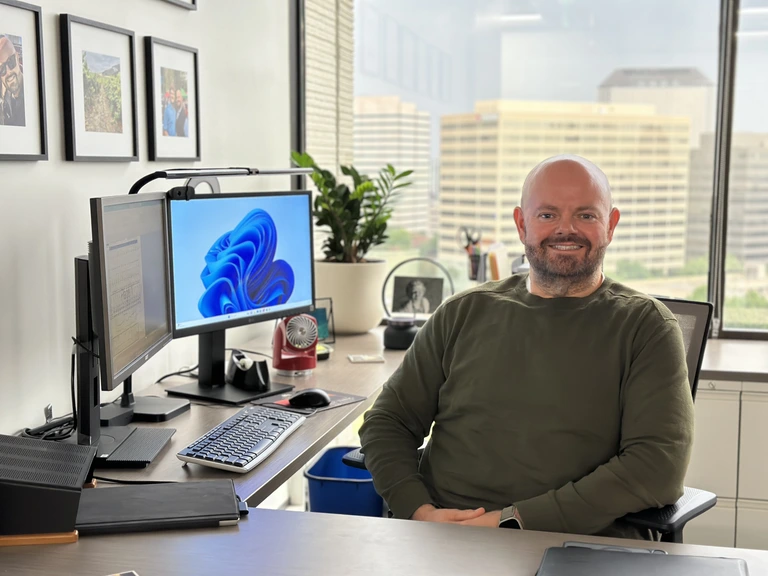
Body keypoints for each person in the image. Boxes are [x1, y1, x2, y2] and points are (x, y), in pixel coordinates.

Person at [359, 154, 694, 540]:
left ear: (611, 225)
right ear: (521, 224)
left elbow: (657, 467)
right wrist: (419, 511)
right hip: (441, 538)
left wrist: (511, 522)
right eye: (548, 215)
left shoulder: (646, 327)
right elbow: (387, 422)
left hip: (573, 547)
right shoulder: (462, 313)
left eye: (586, 215)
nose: (566, 229)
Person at [0, 36, 25, 127]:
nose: (8, 72)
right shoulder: (5, 100)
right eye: (2, 69)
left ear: (17, 57)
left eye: (10, 62)